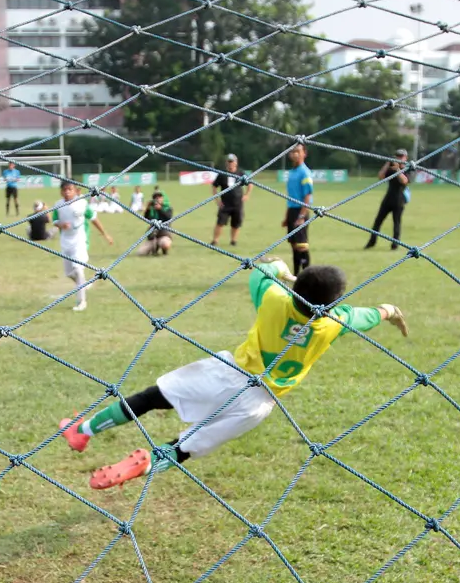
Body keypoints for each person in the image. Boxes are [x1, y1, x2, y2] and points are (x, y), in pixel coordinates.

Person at [58, 258, 408, 489]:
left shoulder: (274, 300)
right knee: (185, 448)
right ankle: (146, 463)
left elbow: (262, 270)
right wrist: (391, 310)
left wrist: (280, 267)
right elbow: (371, 314)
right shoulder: (335, 323)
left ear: (294, 288)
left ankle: (83, 431)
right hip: (258, 405)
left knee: (153, 397)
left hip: (228, 374)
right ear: (333, 303)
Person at [51, 180, 113, 312]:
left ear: (75, 190)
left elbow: (94, 219)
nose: (67, 192)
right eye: (65, 190)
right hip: (65, 242)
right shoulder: (58, 205)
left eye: (70, 189)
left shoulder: (82, 204)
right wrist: (61, 225)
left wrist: (105, 234)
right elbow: (55, 220)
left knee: (78, 270)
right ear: (61, 191)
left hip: (80, 241)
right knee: (69, 273)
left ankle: (81, 302)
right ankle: (84, 284)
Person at [365, 149, 410, 250]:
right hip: (388, 199)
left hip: (399, 200)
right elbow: (381, 176)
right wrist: (387, 163)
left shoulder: (407, 168)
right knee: (377, 222)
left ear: (405, 158)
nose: (399, 158)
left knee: (396, 223)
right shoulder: (390, 169)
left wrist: (398, 169)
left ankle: (395, 245)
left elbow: (404, 181)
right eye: (397, 156)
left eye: (401, 156)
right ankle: (371, 242)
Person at [283, 143, 314, 274]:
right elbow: (290, 197)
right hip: (292, 211)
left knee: (302, 246)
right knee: (294, 245)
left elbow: (307, 195)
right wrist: (286, 217)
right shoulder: (292, 172)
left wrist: (302, 216)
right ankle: (296, 275)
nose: (295, 154)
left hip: (301, 211)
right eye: (293, 151)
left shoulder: (304, 172)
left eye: (298, 151)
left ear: (304, 154)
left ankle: (307, 275)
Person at [210, 153, 250, 247]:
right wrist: (217, 200)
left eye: (232, 162)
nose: (230, 164)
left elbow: (250, 183)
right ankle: (215, 240)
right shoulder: (222, 174)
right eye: (228, 162)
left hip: (237, 203)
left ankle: (233, 241)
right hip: (225, 204)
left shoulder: (241, 173)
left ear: (236, 163)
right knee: (220, 222)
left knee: (236, 223)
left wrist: (247, 194)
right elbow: (214, 187)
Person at [138, 191, 174, 256]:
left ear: (163, 198)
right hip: (153, 235)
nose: (157, 199)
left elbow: (168, 217)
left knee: (165, 244)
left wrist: (160, 209)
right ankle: (154, 248)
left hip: (164, 234)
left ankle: (164, 251)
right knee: (141, 253)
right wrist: (148, 208)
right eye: (155, 197)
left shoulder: (168, 208)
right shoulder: (152, 209)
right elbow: (146, 218)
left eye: (159, 197)